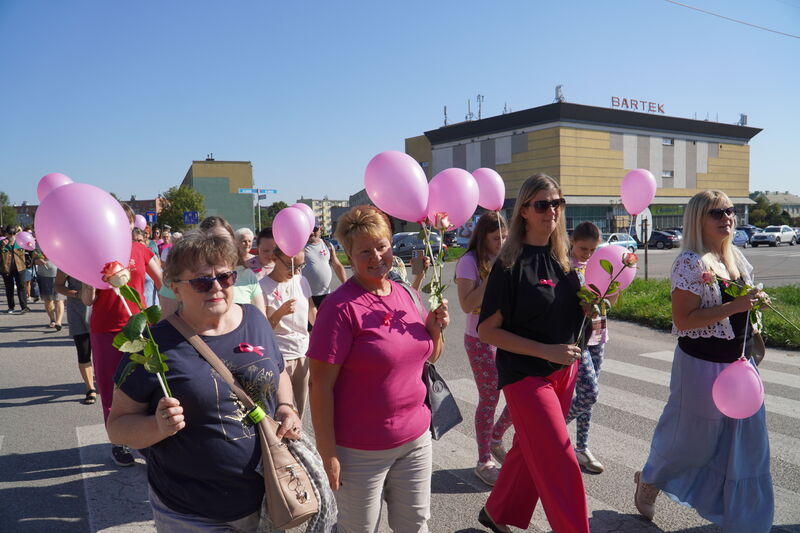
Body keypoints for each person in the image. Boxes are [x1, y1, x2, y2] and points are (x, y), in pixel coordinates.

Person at [106, 231, 303, 531]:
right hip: (191, 513)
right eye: (201, 281)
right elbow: (118, 427)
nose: (216, 288)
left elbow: (279, 373)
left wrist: (287, 407)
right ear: (175, 288)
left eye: (225, 277)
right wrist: (156, 427)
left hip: (270, 496)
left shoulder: (255, 320)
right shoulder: (153, 345)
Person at [634, 190, 773, 531]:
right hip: (701, 368)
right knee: (692, 444)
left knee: (747, 447)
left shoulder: (736, 256)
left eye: (729, 210)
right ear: (699, 220)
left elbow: (742, 309)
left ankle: (748, 521)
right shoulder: (690, 262)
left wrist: (756, 304)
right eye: (716, 212)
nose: (726, 216)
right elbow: (683, 321)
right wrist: (736, 306)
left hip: (739, 368)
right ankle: (649, 480)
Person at [308, 205, 449, 533]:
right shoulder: (339, 308)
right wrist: (328, 455)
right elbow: (320, 386)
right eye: (364, 251)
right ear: (348, 254)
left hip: (415, 439)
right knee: (359, 529)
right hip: (360, 450)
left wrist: (435, 330)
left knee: (416, 526)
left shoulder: (408, 294)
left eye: (382, 246)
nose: (376, 257)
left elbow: (431, 357)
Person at [476, 174, 588, 533]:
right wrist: (545, 349)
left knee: (528, 447)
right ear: (523, 210)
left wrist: (591, 310)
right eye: (542, 204)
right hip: (526, 375)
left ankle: (496, 511)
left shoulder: (565, 259)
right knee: (559, 457)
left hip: (564, 371)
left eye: (557, 203)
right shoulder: (509, 266)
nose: (551, 210)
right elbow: (487, 330)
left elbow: (565, 312)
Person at [82, 203, 163, 467]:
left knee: (146, 383)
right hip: (105, 330)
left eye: (126, 220)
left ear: (131, 224)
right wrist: (89, 276)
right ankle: (119, 442)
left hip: (140, 326)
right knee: (110, 386)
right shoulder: (96, 254)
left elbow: (165, 282)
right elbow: (87, 300)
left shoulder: (141, 250)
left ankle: (147, 437)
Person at [454, 211, 512, 487]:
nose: (501, 242)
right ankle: (483, 459)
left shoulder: (510, 257)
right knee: (490, 397)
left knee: (517, 392)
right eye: (495, 237)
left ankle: (496, 436)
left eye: (504, 236)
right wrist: (491, 280)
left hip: (508, 337)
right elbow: (466, 305)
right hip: (479, 340)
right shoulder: (469, 262)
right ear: (483, 238)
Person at [566, 221, 611, 474]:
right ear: (573, 241)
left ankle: (581, 447)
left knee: (589, 399)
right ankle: (554, 429)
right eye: (584, 249)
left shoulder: (600, 266)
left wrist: (609, 293)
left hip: (599, 332)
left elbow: (612, 298)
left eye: (593, 249)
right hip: (578, 337)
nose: (588, 254)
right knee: (590, 393)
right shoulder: (565, 266)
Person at [159, 217, 266, 318]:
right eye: (213, 241)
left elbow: (261, 321)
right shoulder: (180, 278)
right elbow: (167, 321)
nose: (217, 286)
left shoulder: (247, 275)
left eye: (225, 241)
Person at [260, 246, 316, 418]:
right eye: (291, 266)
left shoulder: (301, 281)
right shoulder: (262, 286)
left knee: (301, 409)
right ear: (275, 259)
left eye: (300, 266)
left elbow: (312, 311)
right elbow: (262, 330)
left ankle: (298, 442)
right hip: (280, 357)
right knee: (283, 411)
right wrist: (280, 312)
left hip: (303, 353)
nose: (296, 271)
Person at [55, 270, 96, 404]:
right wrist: (77, 294)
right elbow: (58, 285)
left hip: (100, 310)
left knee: (104, 353)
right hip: (77, 311)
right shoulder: (68, 260)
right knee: (83, 351)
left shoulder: (100, 256)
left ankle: (111, 385)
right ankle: (90, 389)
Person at [303, 224, 346, 310]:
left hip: (325, 294)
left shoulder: (328, 245)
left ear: (320, 229)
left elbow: (337, 266)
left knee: (325, 322)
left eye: (314, 229)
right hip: (306, 296)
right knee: (310, 323)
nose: (311, 232)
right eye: (308, 229)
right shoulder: (299, 247)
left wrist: (346, 285)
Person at [0, 226, 30, 314]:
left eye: (14, 233)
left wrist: (29, 261)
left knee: (21, 287)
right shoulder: (2, 243)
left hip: (20, 268)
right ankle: (11, 307)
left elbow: (30, 251)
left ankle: (24, 307)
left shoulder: (20, 242)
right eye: (10, 234)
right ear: (6, 234)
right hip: (6, 269)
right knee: (9, 288)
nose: (12, 235)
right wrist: (2, 246)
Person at [34, 249, 65, 330]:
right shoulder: (38, 245)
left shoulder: (60, 243)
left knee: (59, 299)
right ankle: (52, 320)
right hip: (44, 275)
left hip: (59, 274)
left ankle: (59, 322)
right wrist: (37, 261)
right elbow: (33, 260)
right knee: (48, 300)